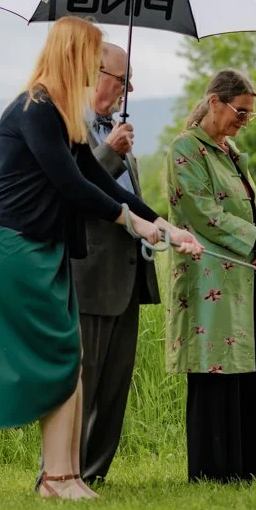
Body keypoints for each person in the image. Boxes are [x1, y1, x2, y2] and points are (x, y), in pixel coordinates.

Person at [0, 18, 200, 500]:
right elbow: (71, 187)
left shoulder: (61, 115)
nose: (98, 77)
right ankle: (56, 478)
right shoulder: (35, 108)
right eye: (95, 63)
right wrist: (132, 223)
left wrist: (165, 226)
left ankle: (66, 477)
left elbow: (99, 179)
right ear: (76, 57)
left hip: (42, 245)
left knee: (68, 359)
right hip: (12, 244)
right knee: (59, 357)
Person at [164, 69, 256, 484]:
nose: (245, 120)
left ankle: (255, 467)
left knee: (250, 366)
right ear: (214, 102)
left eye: (250, 114)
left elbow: (250, 205)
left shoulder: (229, 150)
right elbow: (203, 213)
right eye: (240, 111)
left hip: (246, 274)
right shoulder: (185, 149)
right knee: (216, 369)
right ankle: (215, 471)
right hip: (208, 278)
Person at [73, 41, 159, 483]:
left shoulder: (117, 131)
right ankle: (62, 473)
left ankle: (95, 474)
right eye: (121, 79)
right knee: (83, 384)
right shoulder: (73, 127)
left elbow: (129, 201)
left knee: (114, 384)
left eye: (129, 80)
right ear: (94, 73)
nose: (128, 88)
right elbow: (78, 192)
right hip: (89, 273)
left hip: (127, 273)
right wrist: (108, 152)